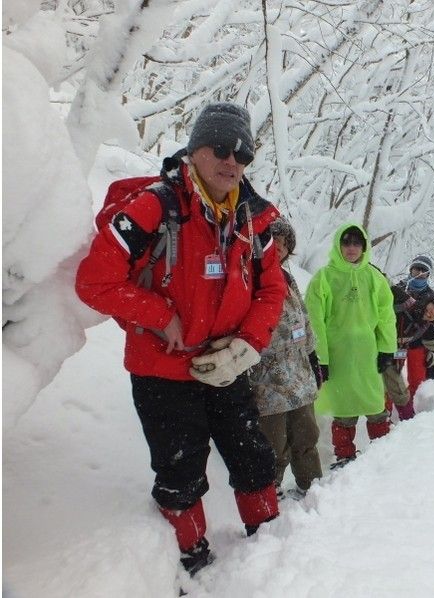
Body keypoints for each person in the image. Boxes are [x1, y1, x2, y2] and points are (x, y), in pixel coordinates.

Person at [75, 103, 286, 576]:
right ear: (195, 150)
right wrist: (159, 314)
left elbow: (273, 289)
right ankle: (192, 562)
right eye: (222, 148)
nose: (233, 162)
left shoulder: (254, 218)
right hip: (161, 370)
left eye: (244, 154)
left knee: (253, 456)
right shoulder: (157, 205)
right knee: (181, 472)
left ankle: (271, 546)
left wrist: (245, 345)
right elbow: (94, 281)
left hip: (226, 364)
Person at [304, 223, 397, 468]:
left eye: (357, 243)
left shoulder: (374, 277)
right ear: (338, 245)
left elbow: (386, 315)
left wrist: (387, 348)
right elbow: (315, 321)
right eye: (346, 242)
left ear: (364, 246)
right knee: (344, 410)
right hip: (337, 356)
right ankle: (345, 456)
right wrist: (320, 359)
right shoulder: (323, 278)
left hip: (368, 355)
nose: (352, 248)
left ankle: (382, 453)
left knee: (376, 406)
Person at [249, 217, 322, 501]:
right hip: (268, 375)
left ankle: (312, 486)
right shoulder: (250, 276)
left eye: (283, 243)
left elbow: (303, 318)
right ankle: (270, 493)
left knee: (306, 435)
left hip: (299, 372)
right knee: (272, 441)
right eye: (272, 240)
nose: (277, 247)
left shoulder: (289, 278)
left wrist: (313, 355)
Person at [388, 255, 434, 420]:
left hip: (417, 343)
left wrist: (432, 349)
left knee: (417, 379)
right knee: (391, 378)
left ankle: (412, 410)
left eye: (424, 271)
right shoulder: (399, 288)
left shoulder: (431, 296)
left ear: (428, 274)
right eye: (417, 269)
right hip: (396, 342)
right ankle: (386, 412)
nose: (420, 273)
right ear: (411, 269)